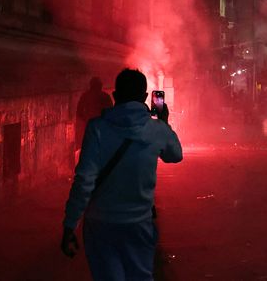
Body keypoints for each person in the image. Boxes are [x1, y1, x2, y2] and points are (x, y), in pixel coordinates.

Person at [61, 68, 183, 281]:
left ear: (115, 96)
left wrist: (71, 223)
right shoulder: (156, 129)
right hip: (139, 224)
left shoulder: (97, 128)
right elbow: (175, 155)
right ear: (146, 97)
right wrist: (163, 122)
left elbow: (84, 180)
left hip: (100, 225)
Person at [75, 77, 113, 151]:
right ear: (100, 86)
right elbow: (111, 112)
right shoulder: (105, 97)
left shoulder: (85, 96)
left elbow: (79, 112)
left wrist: (84, 120)